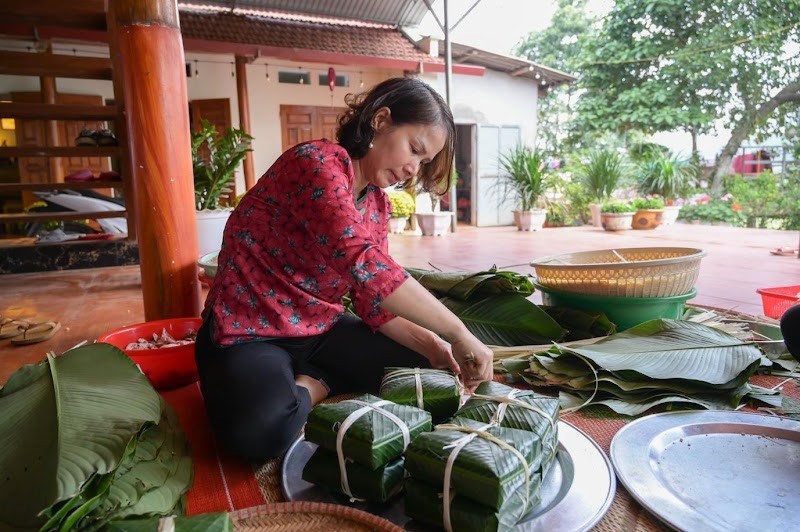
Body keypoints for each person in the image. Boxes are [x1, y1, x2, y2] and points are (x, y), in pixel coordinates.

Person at [195, 77, 494, 462]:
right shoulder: (317, 164)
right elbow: (364, 265)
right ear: (380, 121)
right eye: (414, 150)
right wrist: (456, 331)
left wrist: (433, 346)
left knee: (425, 375)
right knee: (260, 434)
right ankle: (315, 385)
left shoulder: (377, 204)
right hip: (250, 330)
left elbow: (374, 304)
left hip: (321, 327)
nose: (411, 168)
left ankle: (317, 376)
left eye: (422, 162)